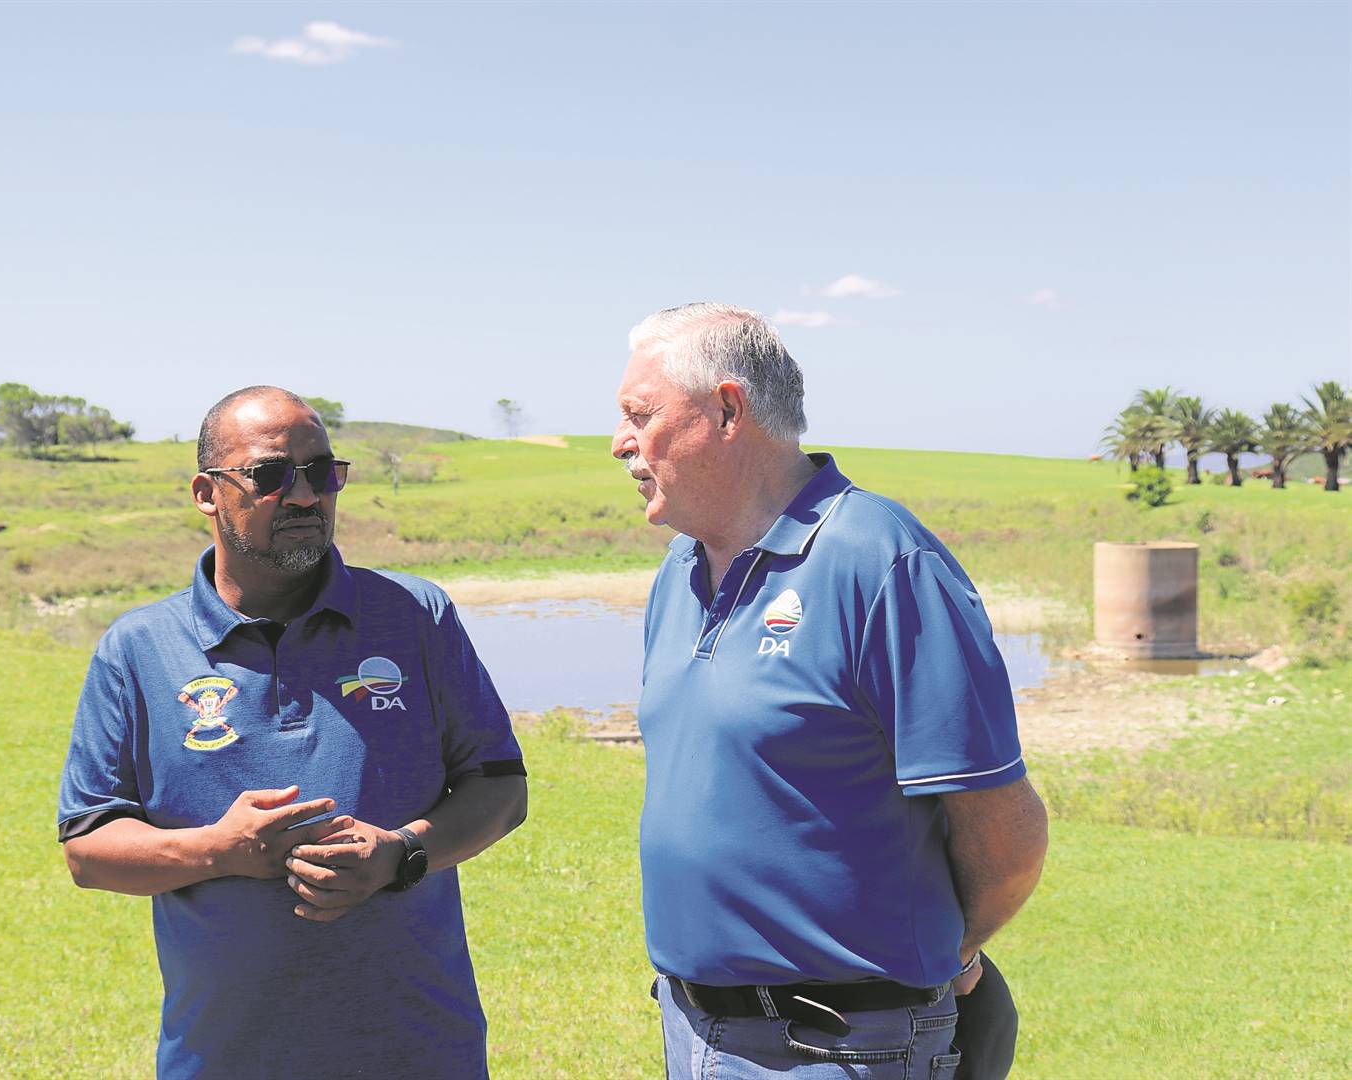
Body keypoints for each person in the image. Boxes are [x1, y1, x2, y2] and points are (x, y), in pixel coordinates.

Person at [612, 304, 1048, 1079]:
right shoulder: (678, 573)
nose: (620, 444)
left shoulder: (881, 562)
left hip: (841, 1046)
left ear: (727, 409)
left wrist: (929, 961)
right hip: (692, 1028)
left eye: (640, 416)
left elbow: (1003, 833)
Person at [57, 386, 527, 1080]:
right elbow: (89, 850)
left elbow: (500, 787)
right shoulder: (139, 650)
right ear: (205, 493)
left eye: (322, 472)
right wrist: (220, 851)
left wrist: (399, 854)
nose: (306, 496)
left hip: (420, 1052)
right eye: (272, 475)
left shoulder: (414, 615)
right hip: (224, 1057)